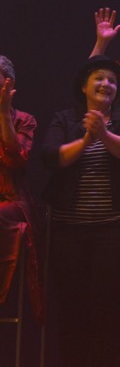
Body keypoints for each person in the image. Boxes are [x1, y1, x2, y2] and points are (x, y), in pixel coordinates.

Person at [41, 55, 120, 366]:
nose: (106, 84)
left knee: (109, 304)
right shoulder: (65, 119)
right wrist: (88, 138)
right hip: (69, 231)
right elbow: (51, 157)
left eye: (112, 81)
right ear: (84, 86)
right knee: (71, 303)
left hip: (117, 230)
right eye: (99, 78)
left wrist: (104, 134)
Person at [0, 56, 41, 316]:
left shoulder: (23, 120)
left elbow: (16, 163)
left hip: (11, 199)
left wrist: (3, 115)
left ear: (9, 83)